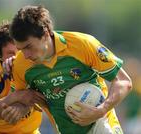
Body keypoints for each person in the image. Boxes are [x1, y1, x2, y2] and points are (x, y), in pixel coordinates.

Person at [9, 5, 132, 134]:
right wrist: (16, 109)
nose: (26, 55)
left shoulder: (82, 44)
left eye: (29, 47)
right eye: (21, 49)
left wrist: (101, 110)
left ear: (45, 34)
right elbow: (22, 100)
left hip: (103, 125)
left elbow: (123, 81)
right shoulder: (20, 65)